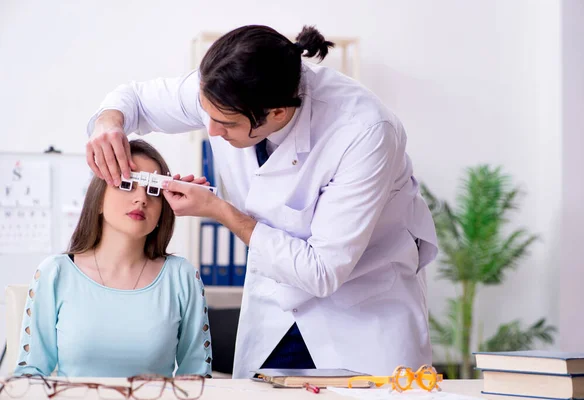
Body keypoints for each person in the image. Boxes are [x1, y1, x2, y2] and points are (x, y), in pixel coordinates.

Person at [86, 25, 438, 379]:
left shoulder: (364, 130)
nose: (210, 131)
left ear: (278, 114)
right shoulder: (225, 89)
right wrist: (108, 124)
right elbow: (133, 98)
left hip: (362, 317)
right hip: (273, 314)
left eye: (226, 123)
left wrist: (218, 209)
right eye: (205, 113)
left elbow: (322, 271)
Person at [14, 140, 212, 378]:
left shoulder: (182, 276)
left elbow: (196, 377)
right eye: (127, 184)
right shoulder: (55, 273)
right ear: (98, 199)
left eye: (153, 190)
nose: (141, 199)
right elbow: (30, 375)